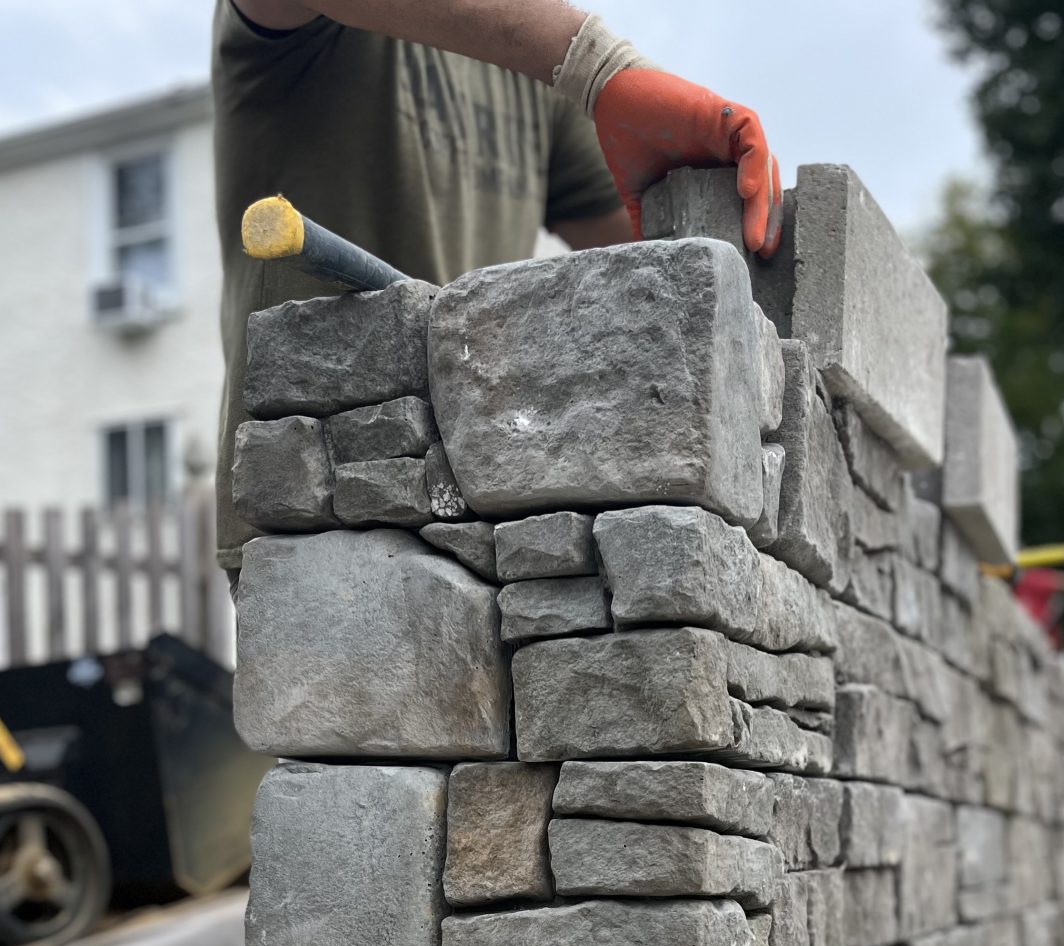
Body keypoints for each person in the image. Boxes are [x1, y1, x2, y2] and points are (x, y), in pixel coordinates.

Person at [213, 0, 783, 571]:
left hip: (484, 503)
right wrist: (599, 65)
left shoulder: (527, 74)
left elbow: (646, 252)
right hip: (319, 490)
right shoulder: (323, 30)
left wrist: (729, 247)